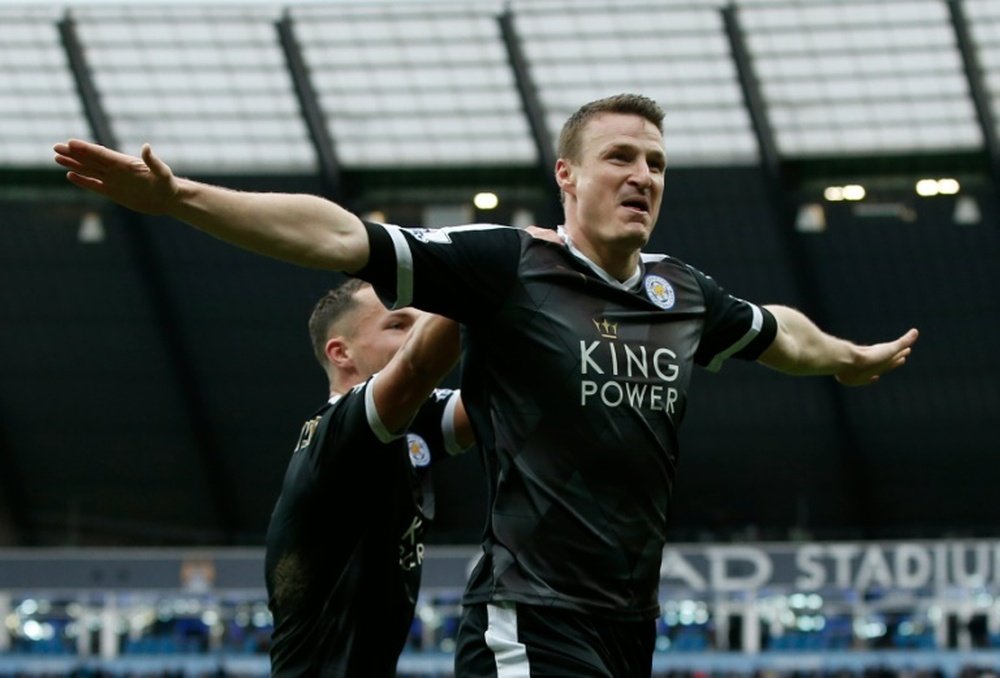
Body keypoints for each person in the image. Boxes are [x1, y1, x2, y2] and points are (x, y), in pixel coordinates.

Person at [54, 92, 918, 677]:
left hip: (629, 622)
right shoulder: (509, 266)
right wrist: (185, 199)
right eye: (620, 156)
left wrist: (847, 357)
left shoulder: (682, 293)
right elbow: (340, 236)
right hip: (530, 615)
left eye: (657, 162)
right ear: (567, 177)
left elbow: (777, 331)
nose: (644, 176)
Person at [264, 278, 473, 676]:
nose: (416, 334)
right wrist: (495, 267)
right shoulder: (340, 433)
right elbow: (418, 363)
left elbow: (496, 404)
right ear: (342, 353)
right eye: (398, 325)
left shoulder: (409, 424)